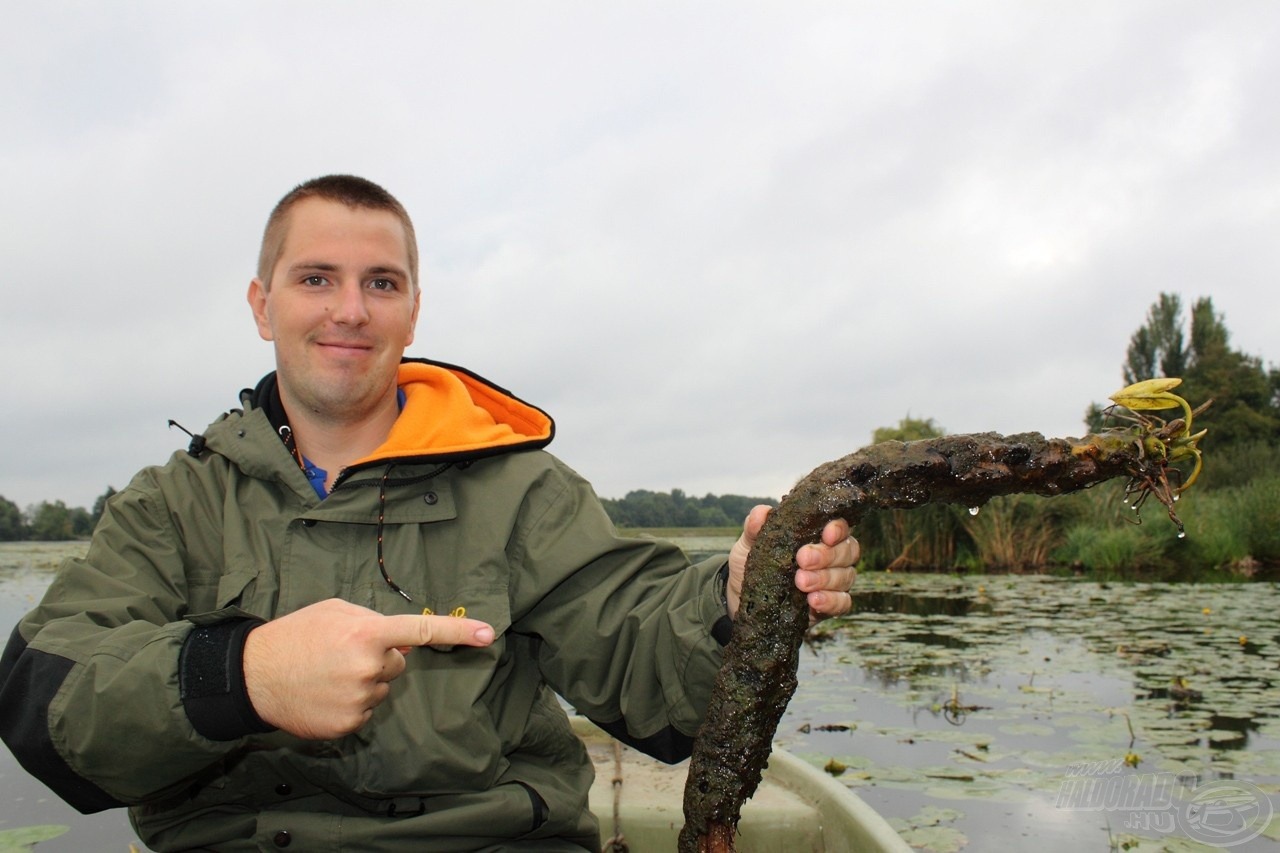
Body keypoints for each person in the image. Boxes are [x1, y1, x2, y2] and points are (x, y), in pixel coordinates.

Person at [0, 175, 858, 852]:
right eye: (315, 279)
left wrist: (737, 600)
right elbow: (48, 698)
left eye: (381, 282)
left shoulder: (520, 490)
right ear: (263, 304)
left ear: (413, 308)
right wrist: (245, 674)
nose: (349, 309)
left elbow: (639, 655)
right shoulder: (174, 504)